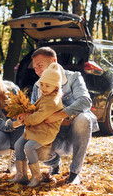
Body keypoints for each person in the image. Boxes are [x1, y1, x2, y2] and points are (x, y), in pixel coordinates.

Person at [30, 47, 99, 185]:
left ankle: (75, 173)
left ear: (53, 61)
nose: (37, 70)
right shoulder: (37, 86)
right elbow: (33, 111)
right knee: (37, 152)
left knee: (83, 119)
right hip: (54, 134)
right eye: (34, 67)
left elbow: (85, 101)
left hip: (76, 133)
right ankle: (55, 163)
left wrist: (61, 114)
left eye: (40, 66)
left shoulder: (73, 77)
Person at [9, 63, 64, 187]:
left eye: (47, 85)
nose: (43, 88)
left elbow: (37, 118)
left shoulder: (53, 101)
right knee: (18, 144)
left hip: (45, 132)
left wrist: (26, 117)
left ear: (56, 87)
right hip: (35, 129)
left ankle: (36, 176)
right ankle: (21, 174)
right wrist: (26, 112)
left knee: (29, 147)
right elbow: (35, 111)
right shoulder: (45, 96)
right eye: (42, 84)